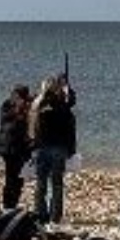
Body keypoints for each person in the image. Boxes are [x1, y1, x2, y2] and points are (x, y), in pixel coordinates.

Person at [28, 74, 76, 225]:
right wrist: (68, 89)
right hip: (59, 148)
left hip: (41, 147)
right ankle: (55, 217)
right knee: (56, 184)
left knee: (40, 183)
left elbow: (32, 128)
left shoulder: (38, 106)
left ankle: (40, 214)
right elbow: (71, 104)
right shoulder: (63, 106)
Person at [0, 85, 32, 209]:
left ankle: (11, 204)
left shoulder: (19, 106)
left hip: (16, 148)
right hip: (11, 148)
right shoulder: (8, 106)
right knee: (12, 178)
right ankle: (8, 204)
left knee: (17, 179)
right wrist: (21, 109)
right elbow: (11, 124)